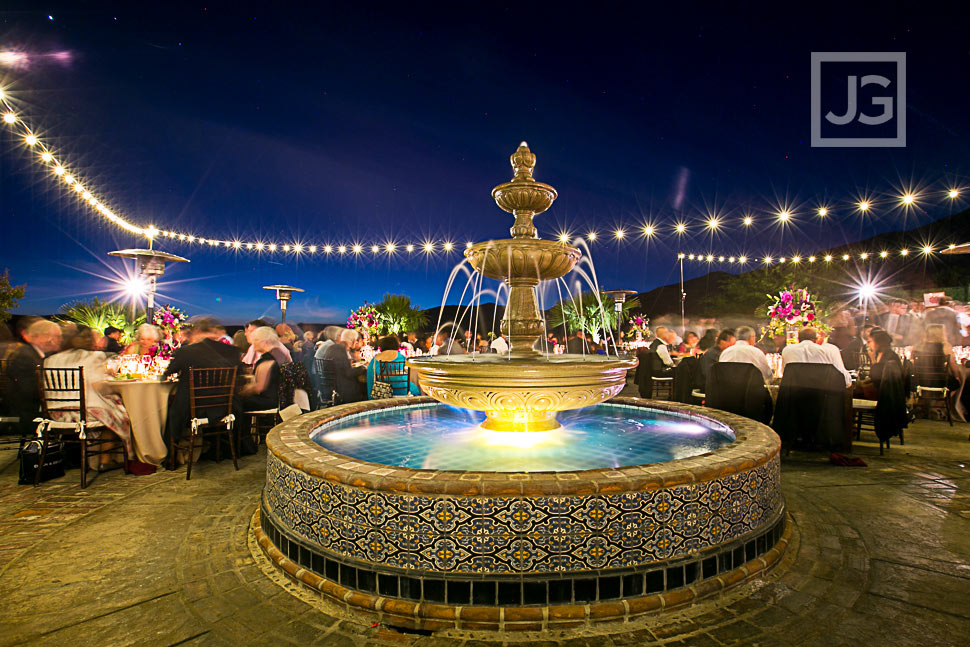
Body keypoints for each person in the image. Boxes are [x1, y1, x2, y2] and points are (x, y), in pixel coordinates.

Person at [43, 326, 132, 470]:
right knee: (119, 413)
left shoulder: (49, 360)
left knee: (110, 409)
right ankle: (105, 459)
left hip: (54, 414)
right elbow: (100, 385)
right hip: (84, 414)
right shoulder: (92, 357)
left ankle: (89, 457)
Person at [162, 317, 244, 452]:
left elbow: (169, 372)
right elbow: (239, 377)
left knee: (169, 407)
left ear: (197, 330)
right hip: (225, 406)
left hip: (192, 409)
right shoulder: (232, 351)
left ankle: (172, 453)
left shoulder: (185, 351)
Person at [7, 319, 63, 436]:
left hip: (31, 409)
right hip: (30, 414)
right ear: (43, 337)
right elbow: (29, 390)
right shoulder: (26, 356)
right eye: (57, 336)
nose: (60, 340)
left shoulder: (32, 354)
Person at [865, 329, 908, 447]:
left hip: (885, 395)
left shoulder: (888, 357)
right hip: (886, 392)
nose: (869, 344)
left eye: (871, 342)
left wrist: (872, 359)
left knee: (849, 394)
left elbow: (876, 377)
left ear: (878, 343)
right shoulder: (886, 354)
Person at [781, 327, 852, 387]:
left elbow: (785, 376)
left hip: (795, 399)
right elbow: (845, 380)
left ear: (798, 339)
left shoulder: (787, 351)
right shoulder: (829, 350)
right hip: (823, 399)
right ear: (816, 339)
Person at [239, 327, 286, 411]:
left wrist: (239, 392)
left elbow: (258, 388)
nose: (253, 343)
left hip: (269, 402)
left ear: (266, 342)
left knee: (235, 402)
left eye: (256, 340)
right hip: (282, 400)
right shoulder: (280, 355)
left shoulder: (266, 361)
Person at [322, 329, 367, 403]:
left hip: (335, 385)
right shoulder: (340, 351)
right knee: (365, 385)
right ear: (353, 340)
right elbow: (348, 373)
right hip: (344, 388)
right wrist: (362, 368)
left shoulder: (333, 348)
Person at [915, 324, 960, 388]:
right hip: (941, 382)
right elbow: (953, 365)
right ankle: (946, 397)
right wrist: (957, 376)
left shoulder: (918, 346)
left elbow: (912, 363)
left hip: (920, 381)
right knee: (957, 384)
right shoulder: (946, 347)